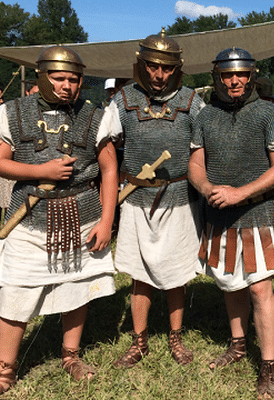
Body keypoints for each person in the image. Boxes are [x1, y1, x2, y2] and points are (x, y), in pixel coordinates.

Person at [0, 45, 118, 393]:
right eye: (60, 78)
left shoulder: (95, 115)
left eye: (74, 79)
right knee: (16, 290)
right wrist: (41, 170)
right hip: (30, 216)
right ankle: (5, 367)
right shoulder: (12, 111)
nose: (68, 85)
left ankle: (70, 354)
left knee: (76, 288)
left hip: (83, 215)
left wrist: (107, 219)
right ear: (42, 76)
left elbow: (110, 169)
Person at [188, 47, 274, 399]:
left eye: (242, 74)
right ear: (217, 77)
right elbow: (196, 165)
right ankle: (238, 343)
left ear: (251, 76)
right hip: (219, 213)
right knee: (230, 283)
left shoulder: (265, 113)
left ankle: (269, 364)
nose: (235, 81)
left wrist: (240, 193)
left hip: (255, 214)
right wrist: (207, 187)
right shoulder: (204, 116)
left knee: (260, 289)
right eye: (229, 75)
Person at [110, 29, 204, 368]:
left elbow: (205, 149)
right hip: (136, 200)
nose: (159, 75)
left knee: (176, 272)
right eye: (152, 67)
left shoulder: (193, 102)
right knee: (140, 273)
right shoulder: (122, 100)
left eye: (165, 69)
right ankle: (139, 341)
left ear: (176, 69)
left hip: (179, 198)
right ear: (142, 65)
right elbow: (105, 146)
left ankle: (175, 337)